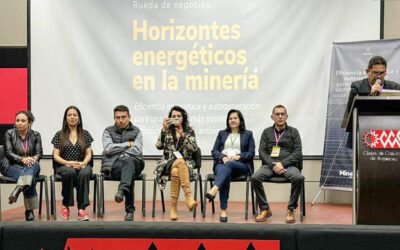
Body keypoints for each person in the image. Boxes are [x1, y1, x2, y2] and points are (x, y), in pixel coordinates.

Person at [251, 105, 303, 223]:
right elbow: (262, 152)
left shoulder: (294, 132)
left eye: (282, 114)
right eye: (277, 114)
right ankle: (265, 209)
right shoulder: (266, 132)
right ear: (272, 117)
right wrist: (273, 165)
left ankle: (291, 209)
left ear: (286, 116)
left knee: (298, 178)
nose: (280, 116)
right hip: (269, 165)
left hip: (289, 165)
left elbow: (298, 152)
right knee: (255, 177)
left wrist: (282, 164)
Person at [205, 109, 255, 222]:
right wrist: (223, 157)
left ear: (240, 120)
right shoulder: (222, 134)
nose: (232, 120)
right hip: (222, 163)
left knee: (228, 165)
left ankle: (214, 189)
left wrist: (238, 156)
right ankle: (223, 209)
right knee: (225, 171)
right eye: (230, 118)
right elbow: (214, 151)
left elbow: (251, 153)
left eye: (235, 118)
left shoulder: (248, 134)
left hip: (240, 165)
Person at [345, 56, 400, 148]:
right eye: (375, 72)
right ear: (367, 71)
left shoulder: (395, 87)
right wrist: (370, 95)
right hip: (363, 132)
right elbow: (350, 110)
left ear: (385, 73)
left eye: (381, 73)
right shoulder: (357, 86)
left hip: (387, 132)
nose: (378, 76)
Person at [101, 105, 144, 221]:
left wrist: (118, 151)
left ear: (129, 117)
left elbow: (137, 150)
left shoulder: (136, 131)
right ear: (114, 118)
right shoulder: (108, 131)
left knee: (129, 163)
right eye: (117, 117)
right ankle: (129, 211)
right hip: (114, 166)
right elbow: (108, 149)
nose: (120, 120)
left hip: (134, 163)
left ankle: (121, 191)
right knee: (129, 171)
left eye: (123, 117)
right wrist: (127, 144)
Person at [155, 106, 198, 220]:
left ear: (183, 118)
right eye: (173, 116)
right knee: (179, 162)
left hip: (185, 164)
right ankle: (189, 197)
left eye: (178, 116)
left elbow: (194, 148)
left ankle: (173, 208)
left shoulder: (189, 131)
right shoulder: (167, 129)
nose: (176, 118)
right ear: (170, 118)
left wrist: (183, 136)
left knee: (175, 171)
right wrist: (163, 129)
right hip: (167, 162)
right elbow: (158, 146)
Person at [51, 106, 93, 221]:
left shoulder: (86, 134)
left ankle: (82, 209)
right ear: (66, 118)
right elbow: (56, 155)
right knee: (69, 172)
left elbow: (89, 153)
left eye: (75, 115)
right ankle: (66, 204)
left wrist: (83, 163)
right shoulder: (59, 134)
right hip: (64, 165)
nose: (72, 117)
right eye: (69, 115)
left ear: (79, 118)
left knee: (85, 173)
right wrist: (67, 163)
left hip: (82, 164)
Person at [1, 111, 42, 221]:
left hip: (31, 165)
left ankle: (19, 188)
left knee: (34, 164)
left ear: (30, 122)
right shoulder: (9, 133)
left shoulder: (36, 135)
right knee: (30, 177)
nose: (20, 123)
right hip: (10, 166)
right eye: (17, 120)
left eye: (23, 121)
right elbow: (8, 153)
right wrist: (23, 160)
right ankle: (29, 211)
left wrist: (33, 159)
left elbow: (39, 153)